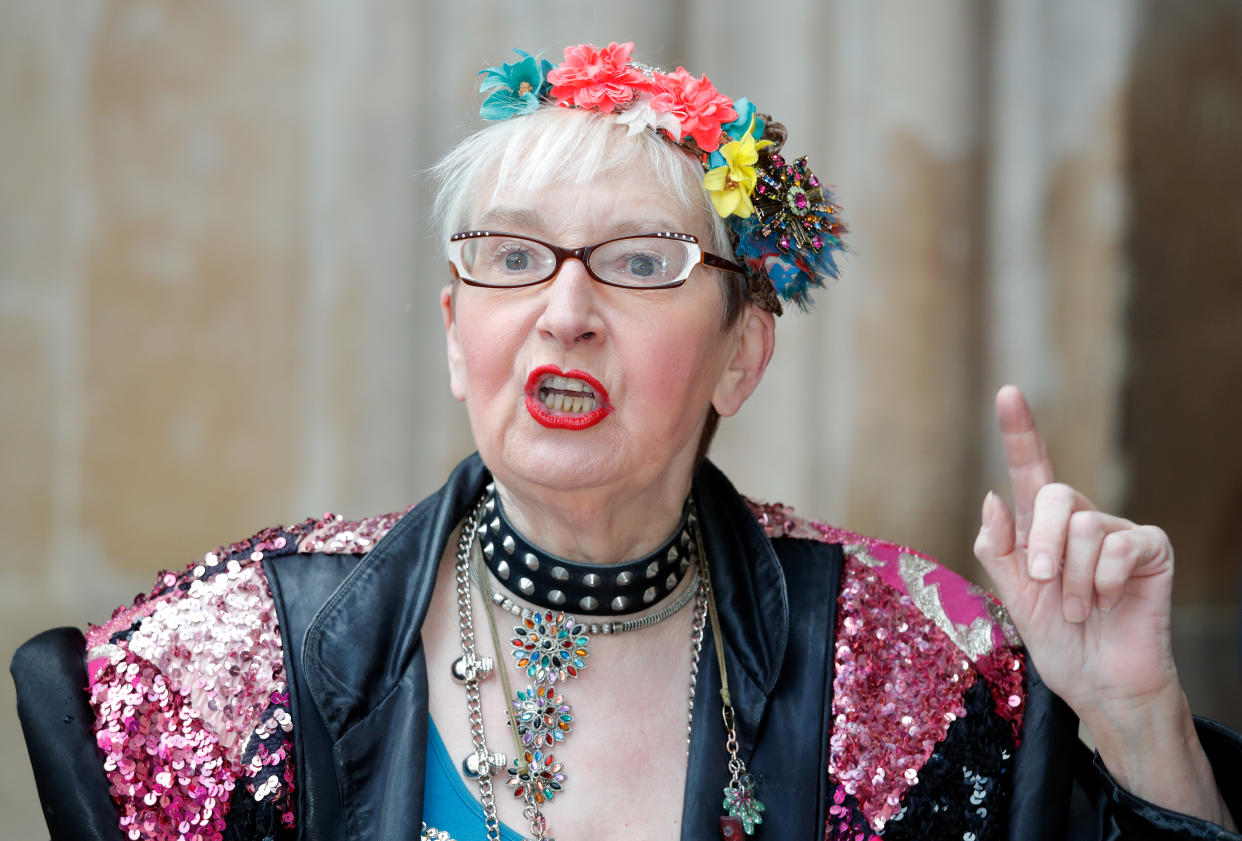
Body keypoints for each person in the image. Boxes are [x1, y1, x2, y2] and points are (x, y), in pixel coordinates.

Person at [12, 41, 1241, 841]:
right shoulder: (243, 653)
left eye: (642, 263)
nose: (564, 309)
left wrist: (1136, 717)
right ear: (457, 333)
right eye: (510, 257)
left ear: (741, 355)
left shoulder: (910, 671)